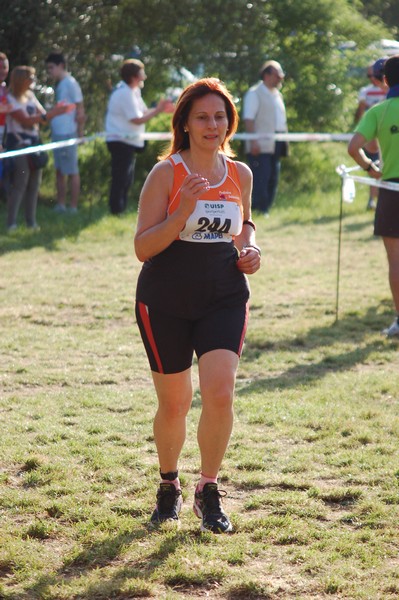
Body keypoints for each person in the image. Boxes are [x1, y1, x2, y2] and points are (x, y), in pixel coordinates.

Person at [134, 77, 261, 533]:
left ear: (230, 122)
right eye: (203, 117)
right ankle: (168, 485)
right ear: (185, 123)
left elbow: (244, 225)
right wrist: (180, 213)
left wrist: (251, 249)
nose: (213, 124)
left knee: (221, 392)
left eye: (220, 116)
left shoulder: (240, 173)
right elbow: (143, 248)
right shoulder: (166, 173)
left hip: (223, 296)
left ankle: (209, 490)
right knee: (175, 405)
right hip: (164, 300)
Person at [348, 54, 399, 338]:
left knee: (396, 260)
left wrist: (372, 170)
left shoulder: (378, 111)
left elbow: (354, 147)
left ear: (385, 81)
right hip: (391, 188)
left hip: (391, 189)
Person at [5, 66, 73, 231]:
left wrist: (54, 111)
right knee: (21, 184)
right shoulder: (9, 99)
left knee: (35, 184)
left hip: (35, 144)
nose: (34, 82)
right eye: (31, 78)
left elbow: (43, 117)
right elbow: (27, 120)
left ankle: (31, 222)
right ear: (22, 80)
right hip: (19, 145)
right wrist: (53, 113)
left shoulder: (31, 96)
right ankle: (11, 223)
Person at [105, 58, 174, 215]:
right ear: (134, 76)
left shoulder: (133, 91)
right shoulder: (124, 93)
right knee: (120, 177)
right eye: (142, 73)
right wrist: (158, 110)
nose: (145, 77)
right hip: (120, 141)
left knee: (127, 178)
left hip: (129, 142)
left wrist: (161, 109)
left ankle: (120, 209)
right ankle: (116, 210)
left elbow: (143, 112)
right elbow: (136, 119)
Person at [243, 60, 288, 215]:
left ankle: (266, 208)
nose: (280, 79)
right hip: (260, 144)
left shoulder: (277, 95)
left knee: (272, 177)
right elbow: (249, 118)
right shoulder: (255, 93)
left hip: (277, 142)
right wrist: (253, 141)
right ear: (267, 75)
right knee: (261, 177)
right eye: (278, 75)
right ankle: (257, 208)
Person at [45, 52, 85, 214]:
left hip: (68, 133)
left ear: (61, 66)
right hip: (58, 132)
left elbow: (80, 109)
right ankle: (61, 204)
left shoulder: (70, 83)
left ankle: (73, 206)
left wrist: (80, 133)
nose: (49, 71)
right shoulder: (60, 84)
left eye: (51, 67)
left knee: (72, 170)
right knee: (60, 170)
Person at [354, 58, 388, 210]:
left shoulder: (388, 93)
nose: (373, 79)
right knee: (375, 169)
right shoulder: (365, 92)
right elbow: (360, 114)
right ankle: (373, 200)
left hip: (385, 137)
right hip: (371, 138)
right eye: (369, 76)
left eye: (375, 75)